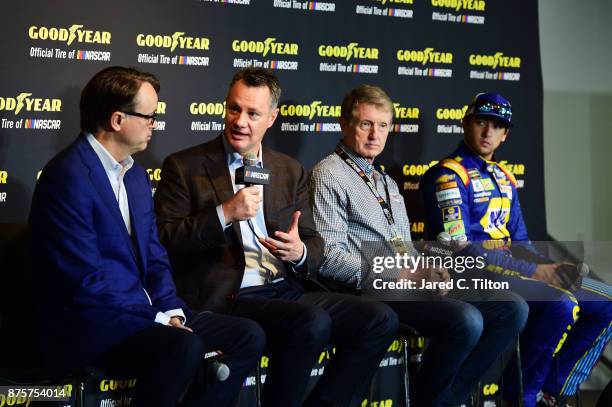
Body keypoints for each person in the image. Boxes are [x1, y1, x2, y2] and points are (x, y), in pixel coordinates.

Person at [154, 67, 398, 407]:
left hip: (284, 289)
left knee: (379, 319)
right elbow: (164, 240)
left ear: (272, 118)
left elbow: (315, 244)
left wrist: (299, 252)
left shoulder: (288, 169)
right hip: (229, 294)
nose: (240, 121)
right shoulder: (185, 165)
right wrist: (223, 214)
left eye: (253, 113)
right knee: (312, 322)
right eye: (234, 109)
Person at [28, 66, 265, 407]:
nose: (155, 124)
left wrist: (172, 311)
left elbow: (155, 256)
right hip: (92, 322)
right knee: (183, 346)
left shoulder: (136, 176)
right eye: (149, 116)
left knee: (248, 336)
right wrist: (157, 319)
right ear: (117, 120)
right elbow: (84, 282)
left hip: (146, 313)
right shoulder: (67, 177)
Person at [308, 84, 529, 407]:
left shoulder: (386, 181)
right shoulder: (329, 174)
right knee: (465, 320)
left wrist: (426, 270)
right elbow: (330, 258)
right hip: (369, 292)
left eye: (382, 126)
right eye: (365, 124)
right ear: (344, 124)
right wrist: (400, 277)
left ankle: (448, 399)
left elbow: (403, 246)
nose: (375, 135)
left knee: (512, 307)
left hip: (407, 284)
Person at [420, 92, 612, 407]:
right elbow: (460, 249)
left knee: (605, 300)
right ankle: (521, 396)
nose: (487, 133)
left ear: (505, 134)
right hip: (473, 276)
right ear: (465, 122)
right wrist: (537, 272)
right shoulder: (447, 176)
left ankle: (555, 390)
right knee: (560, 305)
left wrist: (552, 269)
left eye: (497, 126)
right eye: (481, 122)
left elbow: (520, 242)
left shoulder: (505, 177)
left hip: (516, 272)